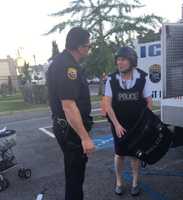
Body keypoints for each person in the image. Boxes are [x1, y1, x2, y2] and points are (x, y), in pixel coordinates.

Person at [46, 27, 95, 200]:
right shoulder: (67, 66)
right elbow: (68, 105)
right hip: (71, 131)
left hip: (67, 129)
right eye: (88, 46)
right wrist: (85, 137)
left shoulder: (63, 62)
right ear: (80, 46)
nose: (89, 49)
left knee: (74, 176)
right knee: (75, 177)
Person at [104, 46, 152, 196]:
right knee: (120, 154)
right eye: (118, 60)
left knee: (135, 154)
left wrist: (144, 124)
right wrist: (117, 125)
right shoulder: (111, 80)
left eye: (123, 59)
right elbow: (107, 104)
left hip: (137, 125)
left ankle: (135, 182)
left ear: (131, 61)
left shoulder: (142, 78)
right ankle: (118, 181)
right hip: (119, 124)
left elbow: (149, 102)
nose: (119, 62)